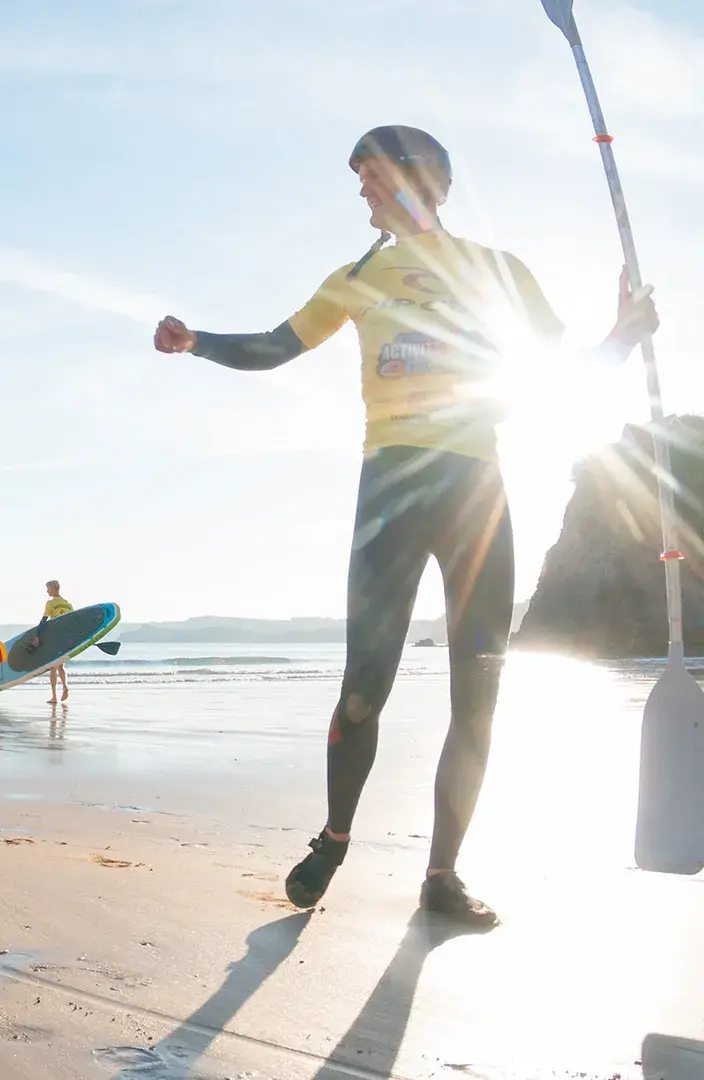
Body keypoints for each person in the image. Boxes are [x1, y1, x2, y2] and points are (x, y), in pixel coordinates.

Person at [151, 125, 660, 928]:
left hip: (476, 493)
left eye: (371, 172)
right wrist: (198, 343)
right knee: (364, 688)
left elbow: (563, 372)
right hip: (389, 488)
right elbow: (277, 346)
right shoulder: (357, 278)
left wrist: (623, 338)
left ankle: (442, 876)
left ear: (424, 178)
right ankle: (334, 837)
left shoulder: (499, 271)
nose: (360, 187)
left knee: (477, 695)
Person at [41, 581, 74, 704]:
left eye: (48, 588)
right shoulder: (68, 604)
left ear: (53, 588)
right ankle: (65, 687)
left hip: (56, 638)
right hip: (66, 638)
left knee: (53, 667)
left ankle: (54, 697)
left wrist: (38, 635)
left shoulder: (50, 603)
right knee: (60, 665)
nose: (47, 591)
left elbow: (44, 620)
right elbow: (73, 621)